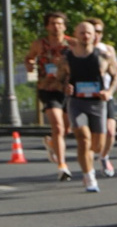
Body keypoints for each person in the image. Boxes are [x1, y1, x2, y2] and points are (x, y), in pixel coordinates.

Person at [63, 22, 110, 193]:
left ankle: (89, 163)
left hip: (97, 103)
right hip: (77, 102)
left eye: (88, 33)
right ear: (75, 34)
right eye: (81, 33)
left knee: (97, 147)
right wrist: (65, 86)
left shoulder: (103, 55)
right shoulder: (68, 56)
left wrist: (109, 91)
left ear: (94, 35)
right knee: (83, 138)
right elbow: (61, 77)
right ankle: (89, 176)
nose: (85, 36)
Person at [27, 12, 72, 174]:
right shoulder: (39, 44)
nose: (56, 26)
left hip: (67, 89)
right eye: (53, 23)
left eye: (59, 23)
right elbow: (29, 58)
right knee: (58, 127)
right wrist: (30, 65)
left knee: (66, 129)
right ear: (47, 26)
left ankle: (53, 143)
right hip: (47, 88)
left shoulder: (71, 44)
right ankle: (62, 165)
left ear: (65, 26)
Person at [84, 20, 117, 177]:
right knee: (89, 135)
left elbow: (116, 68)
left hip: (105, 95)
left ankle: (104, 156)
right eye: (93, 31)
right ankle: (88, 165)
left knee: (110, 132)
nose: (96, 35)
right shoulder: (80, 49)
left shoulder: (107, 49)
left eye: (100, 32)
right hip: (85, 97)